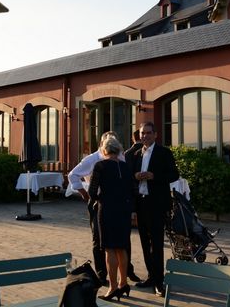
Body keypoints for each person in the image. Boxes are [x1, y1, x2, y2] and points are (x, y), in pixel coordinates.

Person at [67, 131, 140, 285]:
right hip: (98, 203)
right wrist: (84, 194)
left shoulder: (121, 159)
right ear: (102, 144)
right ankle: (102, 273)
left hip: (119, 204)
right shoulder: (93, 159)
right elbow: (73, 175)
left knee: (123, 240)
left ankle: (126, 272)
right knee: (99, 240)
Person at [126, 122, 179, 297]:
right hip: (140, 203)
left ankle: (159, 281)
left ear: (155, 134)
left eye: (148, 133)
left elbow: (174, 175)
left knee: (156, 244)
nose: (145, 136)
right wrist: (135, 176)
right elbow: (129, 177)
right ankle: (150, 276)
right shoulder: (135, 154)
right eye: (142, 133)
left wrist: (153, 176)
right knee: (144, 242)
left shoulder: (164, 153)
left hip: (156, 204)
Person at [88, 135, 133, 301]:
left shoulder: (100, 166)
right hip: (124, 211)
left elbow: (92, 192)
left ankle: (113, 287)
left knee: (109, 248)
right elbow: (131, 189)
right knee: (122, 247)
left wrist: (100, 198)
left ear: (105, 150)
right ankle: (123, 283)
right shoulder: (126, 166)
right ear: (119, 149)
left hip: (107, 209)